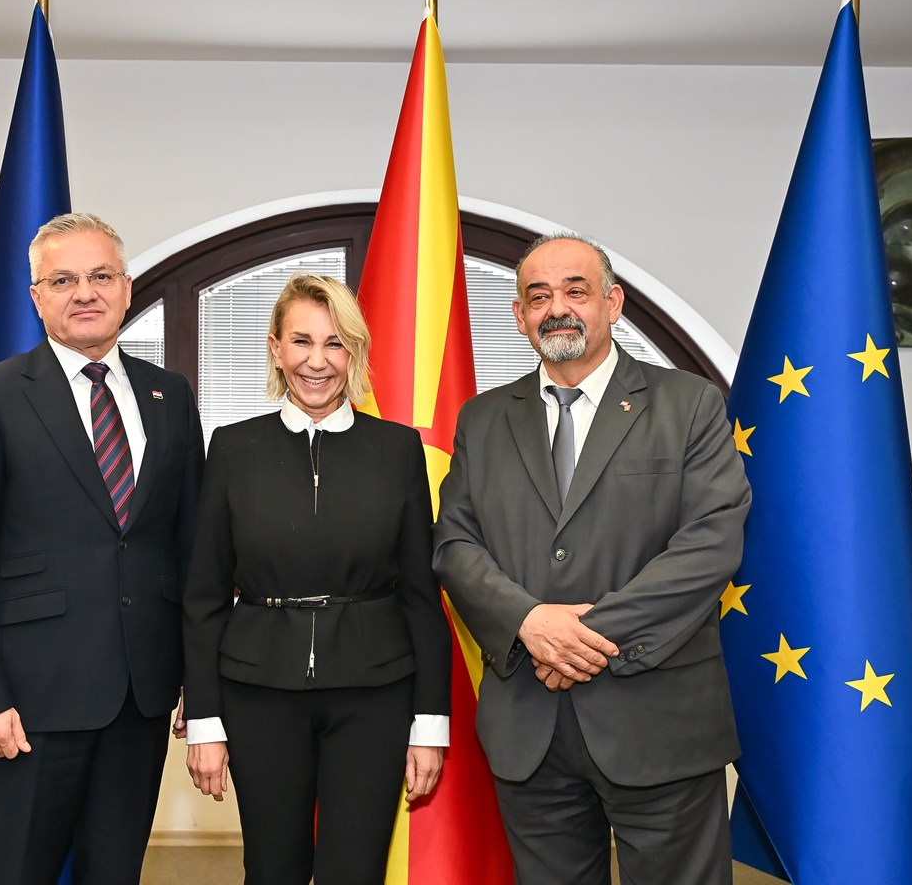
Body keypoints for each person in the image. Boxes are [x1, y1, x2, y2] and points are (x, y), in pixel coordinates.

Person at [432, 234, 751, 885]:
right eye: (538, 296)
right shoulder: (482, 420)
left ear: (613, 303)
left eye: (575, 291)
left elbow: (710, 541)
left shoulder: (689, 404)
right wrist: (529, 623)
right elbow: (454, 545)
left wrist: (579, 637)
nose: (557, 308)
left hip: (658, 717)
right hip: (529, 726)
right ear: (519, 316)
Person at [0, 212, 204, 885]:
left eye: (101, 276)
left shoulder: (169, 396)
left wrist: (197, 683)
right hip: (29, 704)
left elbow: (191, 551)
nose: (85, 292)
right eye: (63, 280)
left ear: (127, 288)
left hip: (140, 698)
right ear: (36, 297)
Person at [182, 272, 451, 885]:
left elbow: (421, 595)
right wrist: (204, 720)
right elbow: (204, 597)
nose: (317, 361)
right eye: (301, 341)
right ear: (276, 348)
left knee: (354, 871)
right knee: (272, 869)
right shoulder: (233, 448)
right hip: (257, 692)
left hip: (375, 694)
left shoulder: (397, 450)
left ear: (354, 353)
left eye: (335, 343)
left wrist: (430, 724)